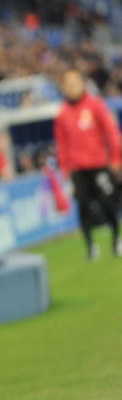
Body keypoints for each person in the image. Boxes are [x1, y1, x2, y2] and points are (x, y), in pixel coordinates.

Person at [54, 69, 121, 259]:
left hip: (99, 164)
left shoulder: (95, 105)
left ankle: (117, 239)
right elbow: (62, 145)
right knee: (82, 206)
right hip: (77, 169)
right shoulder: (62, 114)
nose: (70, 88)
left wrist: (116, 158)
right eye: (66, 84)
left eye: (74, 83)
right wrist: (65, 171)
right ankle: (91, 247)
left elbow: (111, 132)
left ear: (82, 84)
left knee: (108, 202)